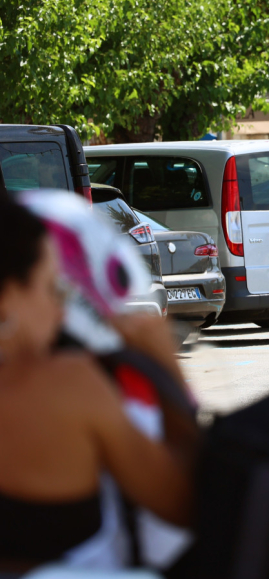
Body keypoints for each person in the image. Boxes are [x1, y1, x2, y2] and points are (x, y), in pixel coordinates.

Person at [0, 197, 193, 574]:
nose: (61, 311)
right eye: (53, 290)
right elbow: (184, 502)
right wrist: (166, 369)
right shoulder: (66, 383)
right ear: (7, 297)